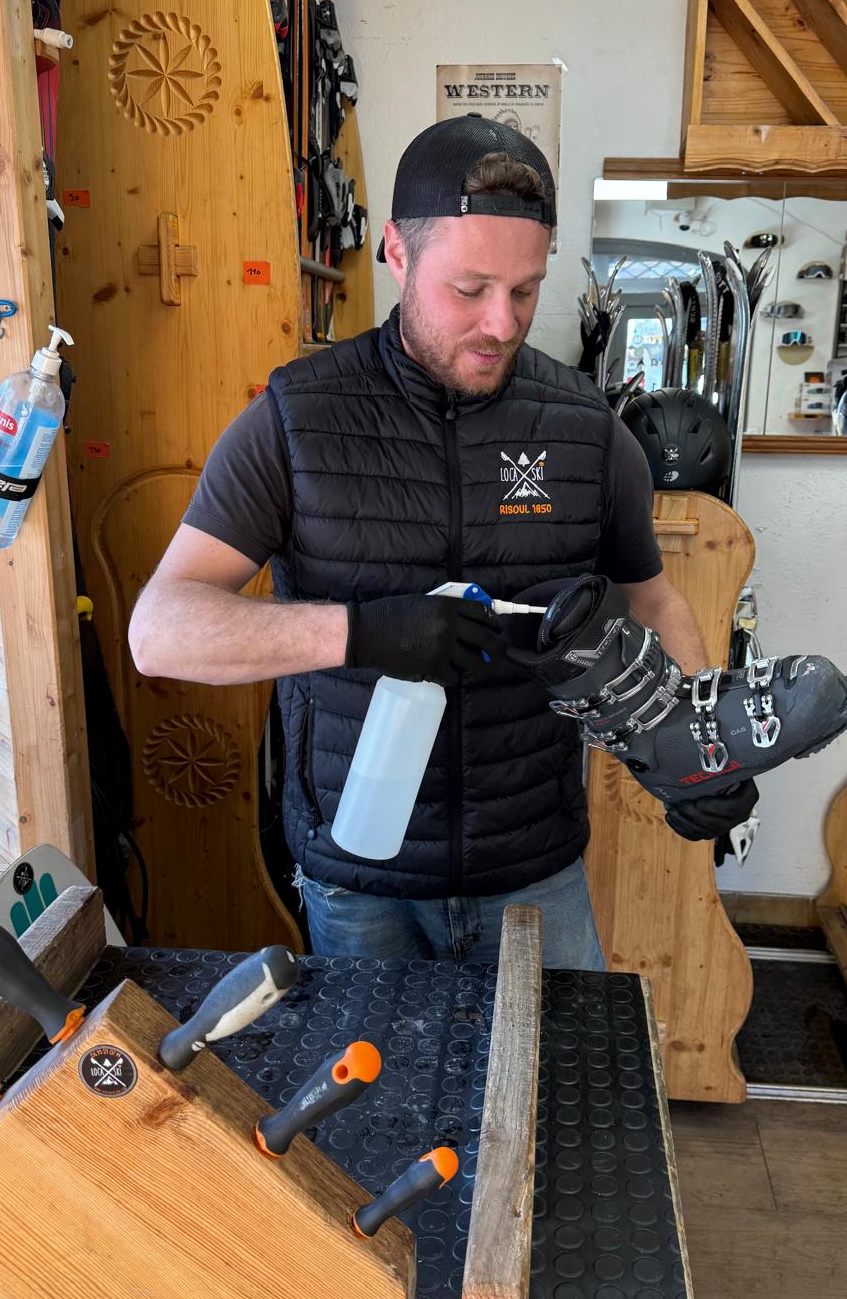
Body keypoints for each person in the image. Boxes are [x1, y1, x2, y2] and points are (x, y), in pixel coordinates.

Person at [128, 114, 757, 969]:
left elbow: (652, 598)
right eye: (469, 290)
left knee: (543, 1098)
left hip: (534, 870)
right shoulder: (296, 419)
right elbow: (159, 630)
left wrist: (700, 752)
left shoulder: (585, 427)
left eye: (526, 291)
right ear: (395, 252)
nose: (501, 323)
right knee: (374, 1106)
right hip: (360, 883)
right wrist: (358, 632)